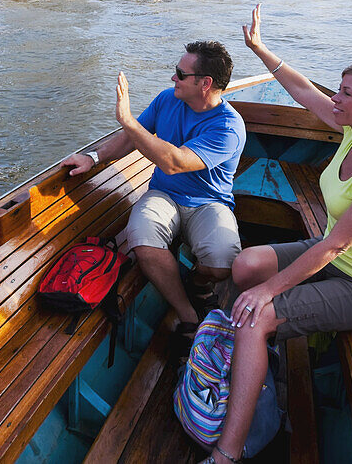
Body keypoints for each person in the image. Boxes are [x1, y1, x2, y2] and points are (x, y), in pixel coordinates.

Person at [204, 4, 352, 464]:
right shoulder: (350, 133)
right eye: (337, 91)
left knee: (258, 314)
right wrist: (260, 49)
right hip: (333, 259)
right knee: (246, 264)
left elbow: (337, 243)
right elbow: (302, 91)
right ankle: (235, 352)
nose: (334, 98)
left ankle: (227, 453)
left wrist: (268, 294)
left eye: (344, 93)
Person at [61, 40, 246, 348]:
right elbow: (129, 139)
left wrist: (130, 120)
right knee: (142, 241)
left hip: (208, 203)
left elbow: (174, 162)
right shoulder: (166, 100)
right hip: (164, 195)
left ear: (205, 83)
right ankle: (189, 315)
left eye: (180, 73)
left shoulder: (228, 127)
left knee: (222, 264)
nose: (173, 78)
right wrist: (93, 157)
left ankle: (198, 282)